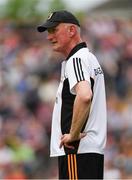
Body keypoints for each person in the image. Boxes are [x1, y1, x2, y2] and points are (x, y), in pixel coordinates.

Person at [37, 10, 107, 179]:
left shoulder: (76, 59)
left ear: (71, 30)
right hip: (87, 152)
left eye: (54, 30)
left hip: (77, 151)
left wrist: (73, 135)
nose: (49, 36)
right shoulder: (87, 57)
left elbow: (84, 96)